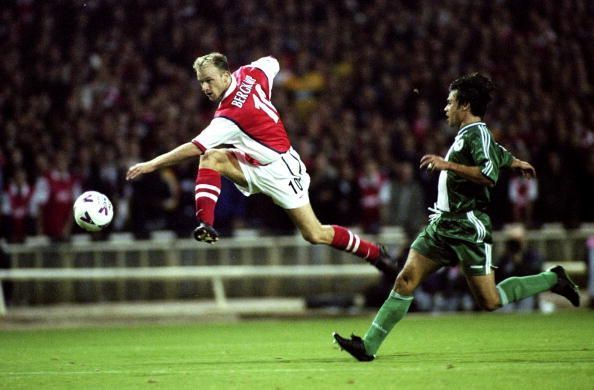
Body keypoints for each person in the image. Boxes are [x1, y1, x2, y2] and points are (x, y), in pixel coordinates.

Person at [333, 73, 581, 361]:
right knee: (405, 279)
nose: (445, 108)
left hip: (466, 226)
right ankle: (368, 346)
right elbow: (495, 155)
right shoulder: (470, 135)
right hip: (442, 224)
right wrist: (515, 162)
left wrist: (446, 164)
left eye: (450, 102)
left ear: (464, 105)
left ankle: (554, 279)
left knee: (489, 300)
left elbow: (487, 174)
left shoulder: (478, 133)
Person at [126, 53, 397, 275]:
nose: (205, 88)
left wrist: (151, 164)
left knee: (314, 233)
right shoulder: (250, 74)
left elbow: (194, 145)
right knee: (212, 158)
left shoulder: (229, 117)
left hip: (281, 170)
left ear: (225, 76)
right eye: (200, 82)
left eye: (209, 80)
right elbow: (272, 62)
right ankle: (205, 223)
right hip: (255, 163)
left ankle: (374, 253)